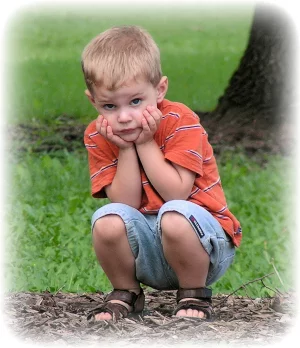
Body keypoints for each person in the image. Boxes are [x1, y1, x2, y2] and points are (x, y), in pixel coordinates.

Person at [82, 25, 242, 322]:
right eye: (109, 105)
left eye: (136, 101)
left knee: (174, 212)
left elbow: (177, 192)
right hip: (149, 251)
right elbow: (124, 205)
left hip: (205, 245)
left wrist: (144, 142)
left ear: (160, 89)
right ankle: (127, 292)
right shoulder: (99, 134)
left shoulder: (181, 120)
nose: (124, 116)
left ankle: (194, 292)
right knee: (106, 220)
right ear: (93, 101)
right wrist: (127, 149)